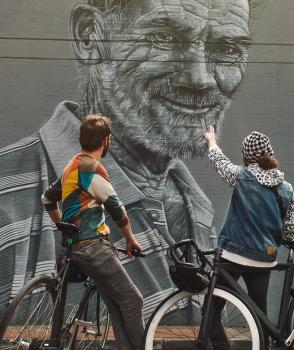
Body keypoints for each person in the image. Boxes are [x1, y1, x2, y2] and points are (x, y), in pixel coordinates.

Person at [0, 0, 257, 314]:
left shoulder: (194, 204)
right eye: (163, 38)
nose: (201, 78)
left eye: (228, 48)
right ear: (90, 36)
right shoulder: (7, 202)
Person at [41, 114, 144, 350]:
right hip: (94, 247)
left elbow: (47, 198)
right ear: (106, 141)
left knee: (119, 305)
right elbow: (116, 208)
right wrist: (130, 239)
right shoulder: (92, 168)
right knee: (133, 300)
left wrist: (63, 226)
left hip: (76, 247)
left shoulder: (72, 166)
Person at [204, 126, 294, 349]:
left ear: (246, 157)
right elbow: (290, 231)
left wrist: (212, 140)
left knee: (211, 311)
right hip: (264, 259)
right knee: (259, 315)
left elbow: (219, 161)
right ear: (270, 155)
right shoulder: (286, 189)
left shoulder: (240, 176)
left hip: (233, 255)